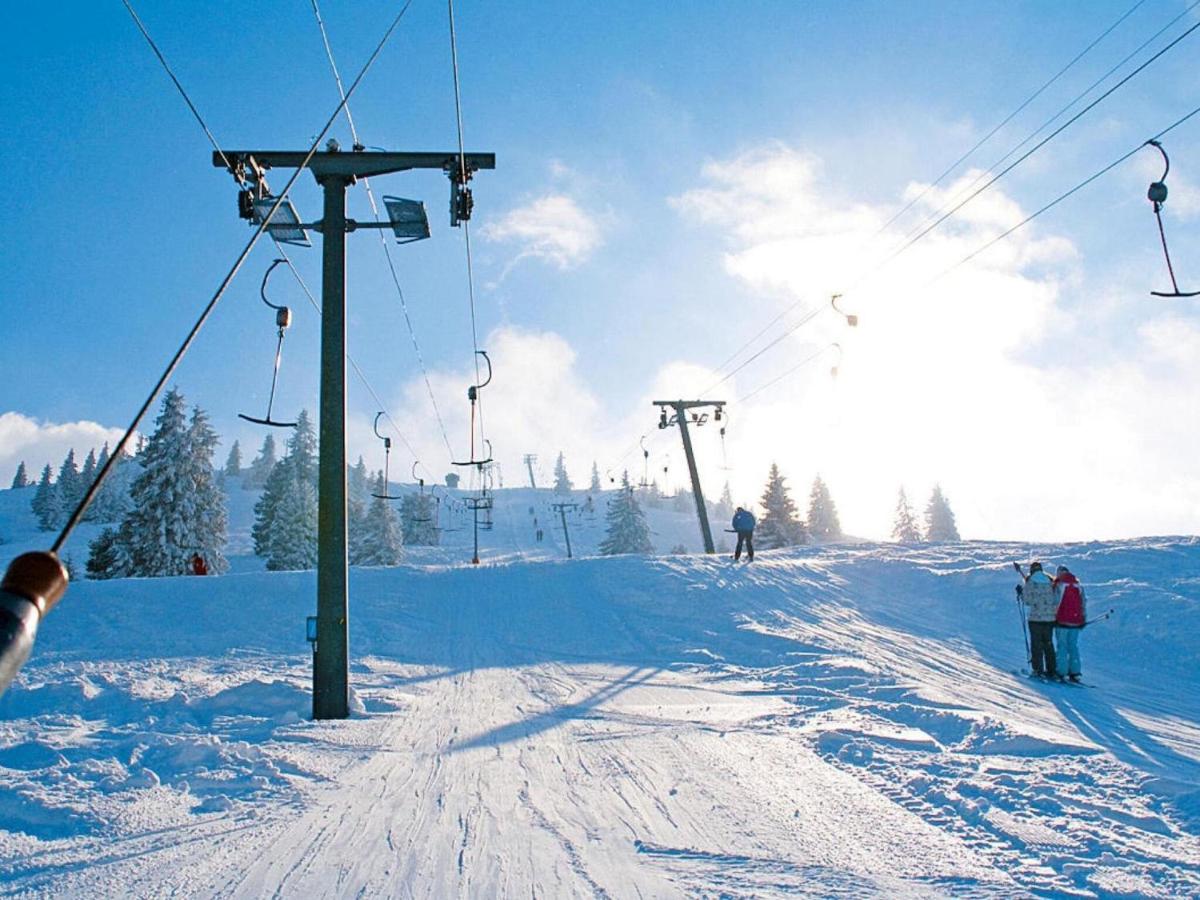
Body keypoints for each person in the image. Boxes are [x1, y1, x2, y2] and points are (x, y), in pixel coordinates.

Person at [1014, 561, 1057, 678]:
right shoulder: (1050, 581)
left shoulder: (1031, 582)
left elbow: (1027, 601)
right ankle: (1052, 669)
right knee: (1048, 644)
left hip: (1035, 619)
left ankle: (1038, 669)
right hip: (1049, 619)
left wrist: (1020, 593)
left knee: (1036, 644)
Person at [1053, 564, 1087, 683]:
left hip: (1062, 620)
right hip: (1076, 621)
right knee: (1073, 646)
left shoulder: (1059, 584)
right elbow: (1083, 603)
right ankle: (1075, 671)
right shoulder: (1078, 585)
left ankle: (1061, 671)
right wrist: (1083, 619)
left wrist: (1054, 617)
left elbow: (1056, 602)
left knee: (1062, 646)